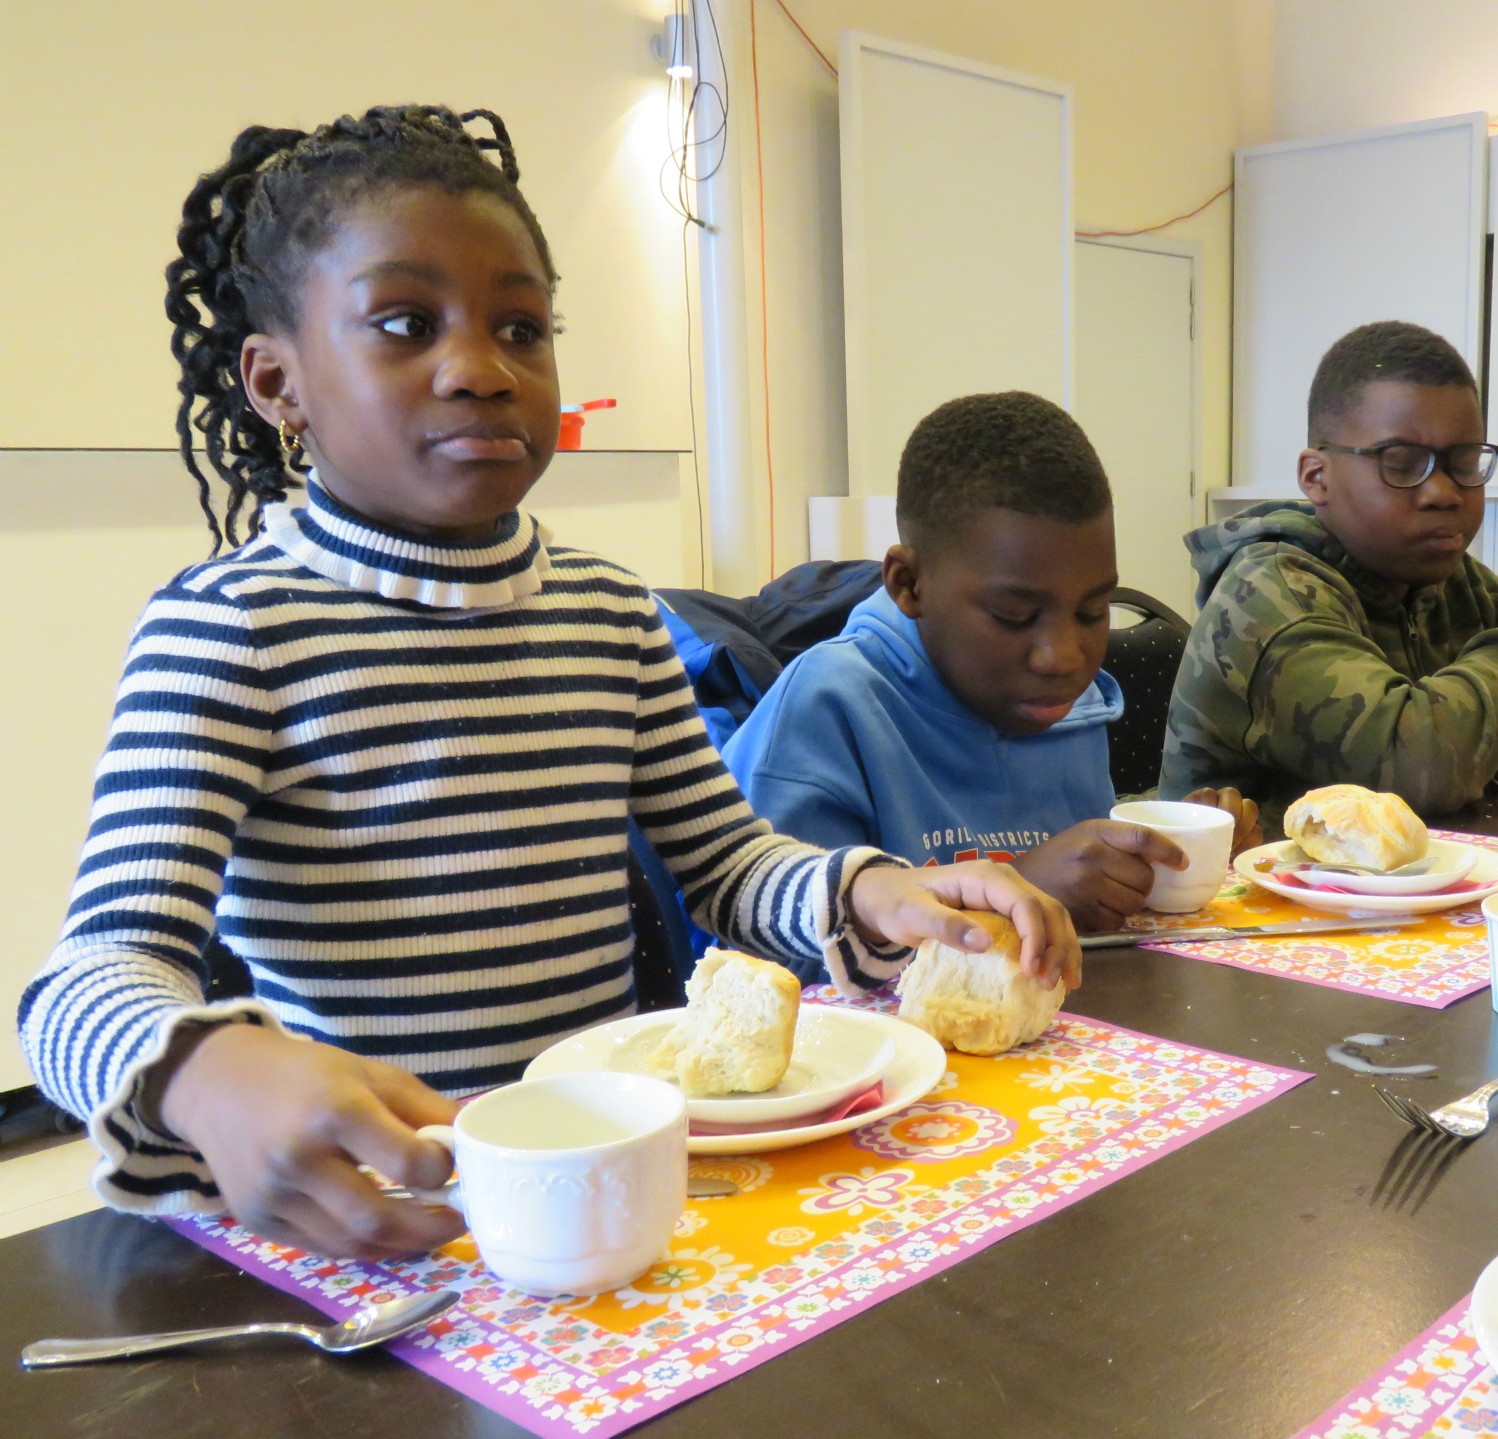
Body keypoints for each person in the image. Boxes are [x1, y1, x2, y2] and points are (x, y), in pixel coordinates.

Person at [18, 106, 1077, 1263]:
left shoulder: (608, 613)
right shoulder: (228, 631)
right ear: (279, 383)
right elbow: (90, 975)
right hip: (380, 1215)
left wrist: (877, 894)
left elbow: (728, 864)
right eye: (405, 324)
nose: (479, 370)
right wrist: (203, 1073)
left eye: (522, 327)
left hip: (611, 1184)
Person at [724, 391, 1257, 941]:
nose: (1063, 656)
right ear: (910, 585)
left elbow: (1082, 913)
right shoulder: (828, 710)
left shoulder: (1066, 704)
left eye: (1092, 610)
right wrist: (1015, 893)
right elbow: (772, 963)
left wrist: (1158, 850)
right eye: (1013, 615)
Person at [1158, 321, 1498, 819]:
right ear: (1317, 477)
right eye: (1401, 464)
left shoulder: (1450, 583)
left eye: (1465, 462)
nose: (1444, 492)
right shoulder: (1271, 598)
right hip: (1245, 898)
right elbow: (1418, 768)